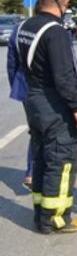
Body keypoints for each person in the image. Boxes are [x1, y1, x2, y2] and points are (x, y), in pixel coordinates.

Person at [17, 0, 77, 234]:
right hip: (53, 103)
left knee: (41, 158)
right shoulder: (55, 32)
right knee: (61, 161)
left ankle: (41, 213)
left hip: (32, 99)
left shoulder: (25, 26)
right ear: (64, 1)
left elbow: (15, 67)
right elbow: (63, 77)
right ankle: (56, 219)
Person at [7, 18, 34, 189]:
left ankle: (31, 172)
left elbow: (12, 63)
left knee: (36, 130)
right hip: (49, 90)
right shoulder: (54, 27)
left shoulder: (19, 29)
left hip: (25, 87)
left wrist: (16, 85)